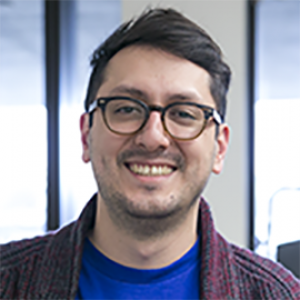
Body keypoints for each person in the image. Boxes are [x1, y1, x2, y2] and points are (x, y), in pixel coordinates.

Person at [0, 8, 299, 300]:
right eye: (126, 109)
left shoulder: (278, 294)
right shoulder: (6, 281)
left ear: (219, 147)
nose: (153, 137)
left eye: (183, 113)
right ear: (86, 135)